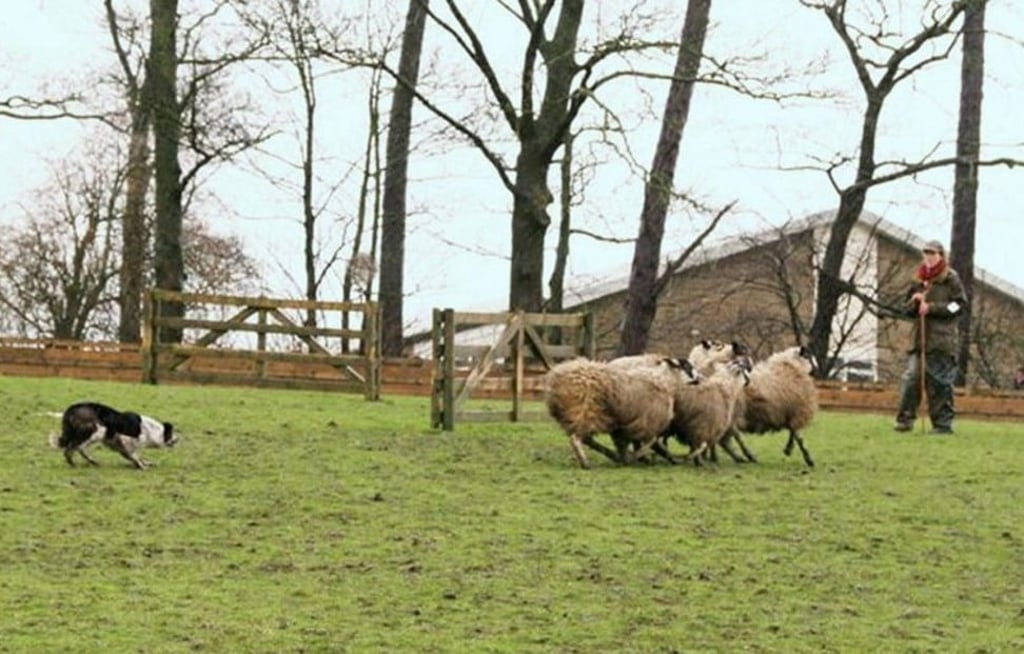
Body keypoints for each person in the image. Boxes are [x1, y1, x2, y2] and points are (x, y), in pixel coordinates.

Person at [894, 239, 968, 435]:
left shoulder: (951, 278)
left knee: (940, 383)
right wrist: (915, 303)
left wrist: (933, 308)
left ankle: (943, 424)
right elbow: (906, 310)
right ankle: (905, 420)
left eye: (932, 253)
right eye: (925, 252)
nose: (928, 256)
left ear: (941, 256)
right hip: (919, 340)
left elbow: (959, 305)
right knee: (911, 380)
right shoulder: (918, 280)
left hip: (941, 341)